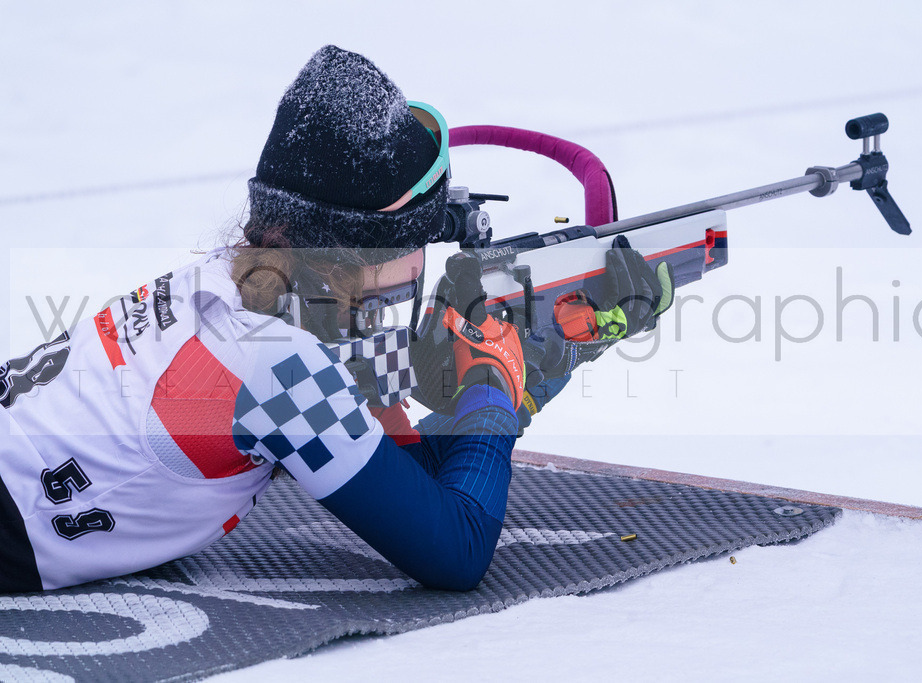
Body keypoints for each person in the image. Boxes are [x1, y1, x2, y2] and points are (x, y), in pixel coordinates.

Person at [0, 46, 670, 594]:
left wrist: (535, 366)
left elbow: (394, 478)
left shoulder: (236, 292)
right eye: (421, 236)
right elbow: (455, 548)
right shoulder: (279, 366)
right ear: (357, 255)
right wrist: (495, 380)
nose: (426, 255)